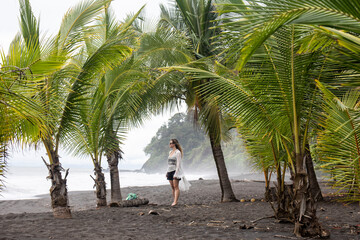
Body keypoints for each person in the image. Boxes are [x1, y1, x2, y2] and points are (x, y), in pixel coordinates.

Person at [166, 139, 190, 206]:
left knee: (176, 186)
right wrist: (167, 172)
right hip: (169, 171)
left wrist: (176, 173)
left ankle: (175, 202)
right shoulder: (170, 152)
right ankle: (174, 200)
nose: (169, 144)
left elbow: (178, 163)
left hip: (175, 171)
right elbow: (168, 163)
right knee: (172, 187)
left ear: (174, 144)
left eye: (170, 143)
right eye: (169, 143)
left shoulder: (178, 152)